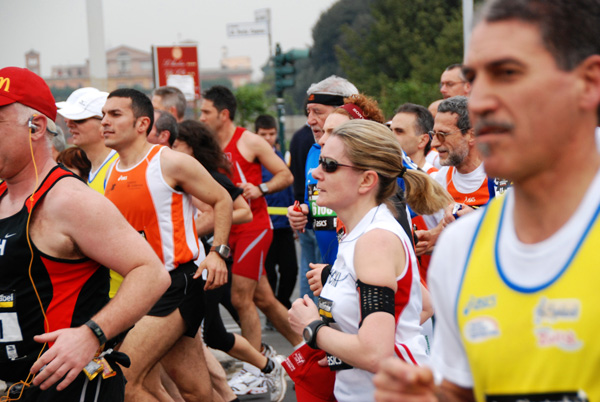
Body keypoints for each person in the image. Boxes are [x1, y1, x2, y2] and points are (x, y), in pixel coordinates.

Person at [373, 0, 600, 401]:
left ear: (589, 83)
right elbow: (463, 392)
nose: (481, 102)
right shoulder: (461, 248)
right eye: (475, 80)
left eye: (508, 73)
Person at [0, 67, 170, 401]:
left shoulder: (68, 199)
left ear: (34, 126)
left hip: (69, 388)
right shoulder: (3, 195)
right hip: (16, 389)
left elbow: (151, 273)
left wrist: (91, 335)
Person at [102, 88, 233, 402]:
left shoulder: (169, 162)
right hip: (143, 288)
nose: (104, 122)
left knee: (122, 382)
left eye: (115, 114)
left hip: (178, 284)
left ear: (142, 124)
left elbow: (222, 199)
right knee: (196, 390)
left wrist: (218, 253)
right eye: (103, 115)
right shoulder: (111, 171)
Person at [288, 120, 433, 402]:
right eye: (320, 161)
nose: (316, 173)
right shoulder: (360, 231)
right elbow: (422, 304)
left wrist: (313, 328)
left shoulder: (374, 240)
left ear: (367, 180)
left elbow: (374, 353)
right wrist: (340, 351)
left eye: (329, 165)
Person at [174, 120, 287, 401]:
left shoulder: (212, 175)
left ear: (191, 146)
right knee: (244, 310)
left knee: (237, 307)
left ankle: (263, 368)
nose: (172, 149)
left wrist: (202, 225)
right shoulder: (186, 174)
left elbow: (243, 210)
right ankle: (272, 363)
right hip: (213, 254)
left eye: (177, 144)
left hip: (235, 243)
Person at [200, 85, 300, 356]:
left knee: (240, 298)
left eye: (206, 112)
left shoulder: (250, 141)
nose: (201, 117)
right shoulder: (205, 145)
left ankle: (255, 368)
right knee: (264, 299)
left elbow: (285, 175)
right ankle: (308, 347)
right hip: (226, 229)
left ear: (223, 114)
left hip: (253, 227)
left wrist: (261, 189)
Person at [414, 96, 508, 257]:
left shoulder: (503, 174)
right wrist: (431, 240)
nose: (434, 144)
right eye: (433, 134)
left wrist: (479, 219)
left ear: (471, 135)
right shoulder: (440, 180)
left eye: (443, 134)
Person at [286, 75, 359, 275]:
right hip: (328, 269)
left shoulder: (371, 150)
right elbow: (319, 208)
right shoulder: (314, 151)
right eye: (308, 112)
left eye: (317, 112)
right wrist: (302, 213)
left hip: (360, 267)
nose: (310, 120)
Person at [254, 114, 298, 310]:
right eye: (263, 134)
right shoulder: (253, 161)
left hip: (284, 223)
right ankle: (274, 309)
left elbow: (289, 189)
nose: (268, 138)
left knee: (291, 269)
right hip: (264, 224)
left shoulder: (280, 156)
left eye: (271, 134)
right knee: (268, 271)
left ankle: (282, 302)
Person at [390, 103, 437, 174]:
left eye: (399, 131)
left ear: (422, 140)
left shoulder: (435, 179)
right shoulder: (385, 174)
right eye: (390, 130)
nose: (391, 136)